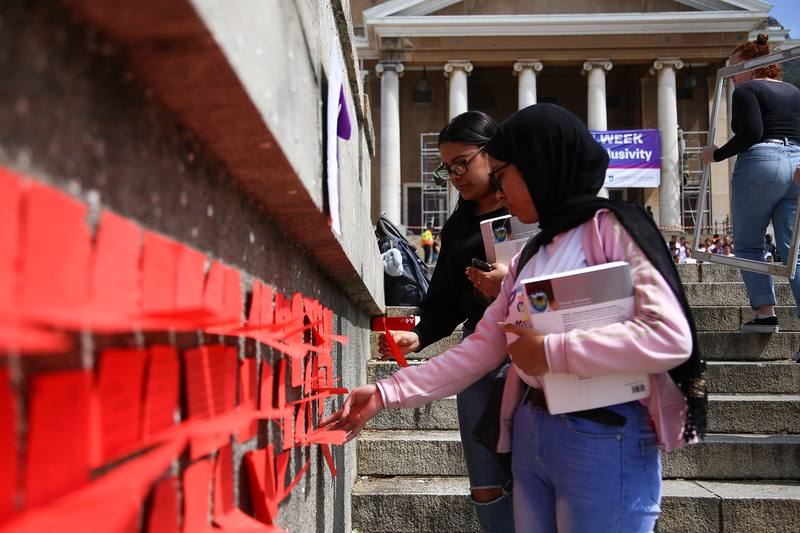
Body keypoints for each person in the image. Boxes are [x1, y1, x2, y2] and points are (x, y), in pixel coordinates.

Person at [326, 104, 707, 533]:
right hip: (531, 437)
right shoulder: (533, 253)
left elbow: (669, 336)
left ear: (539, 168)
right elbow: (481, 348)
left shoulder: (611, 229)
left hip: (605, 434)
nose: (500, 193)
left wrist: (551, 351)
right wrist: (385, 392)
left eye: (504, 174)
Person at [378, 110, 514, 532]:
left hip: (532, 349)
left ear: (491, 155)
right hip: (477, 353)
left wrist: (511, 284)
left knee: (532, 473)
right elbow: (443, 303)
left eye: (463, 163)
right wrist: (418, 335)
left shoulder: (530, 209)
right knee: (485, 484)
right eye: (447, 168)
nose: (455, 175)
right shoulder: (459, 224)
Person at [701, 33, 800, 334]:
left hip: (762, 162)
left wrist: (716, 154)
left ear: (756, 66)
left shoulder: (747, 91)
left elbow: (753, 132)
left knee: (748, 244)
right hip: (796, 162)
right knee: (793, 249)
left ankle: (767, 314)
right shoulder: (795, 91)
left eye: (735, 68)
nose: (731, 76)